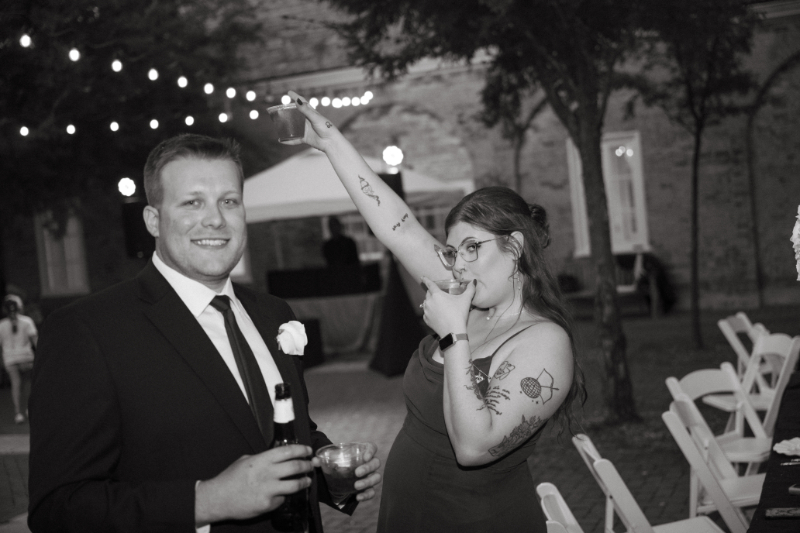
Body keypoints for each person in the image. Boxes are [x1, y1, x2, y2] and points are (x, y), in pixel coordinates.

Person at [28, 134, 381, 532]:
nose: (215, 219)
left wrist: (329, 472)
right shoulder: (87, 332)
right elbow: (58, 508)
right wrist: (206, 501)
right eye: (192, 202)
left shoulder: (272, 313)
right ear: (152, 220)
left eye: (228, 201)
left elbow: (281, 433)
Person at [288, 90, 586, 532]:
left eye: (472, 248)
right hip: (409, 513)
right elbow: (398, 225)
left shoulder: (544, 341)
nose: (458, 264)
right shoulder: (468, 294)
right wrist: (331, 141)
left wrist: (453, 337)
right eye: (452, 251)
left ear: (515, 247)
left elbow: (474, 445)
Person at [0, 294, 37, 424]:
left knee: (15, 384)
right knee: (27, 384)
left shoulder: (2, 325)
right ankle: (28, 408)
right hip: (26, 357)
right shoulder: (27, 321)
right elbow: (35, 340)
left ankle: (18, 413)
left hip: (10, 358)